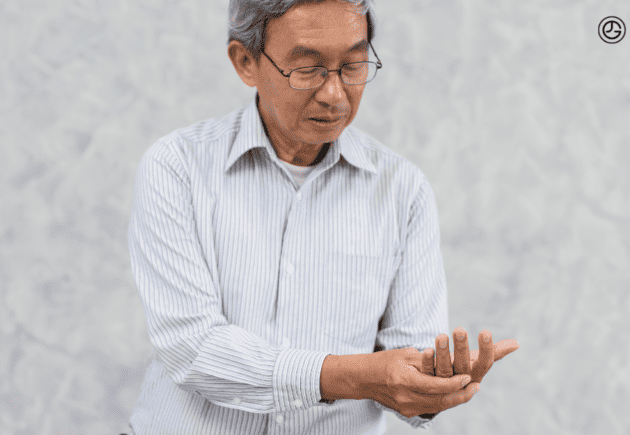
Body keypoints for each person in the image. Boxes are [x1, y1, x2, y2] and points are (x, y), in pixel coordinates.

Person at [126, 0, 519, 433]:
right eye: (307, 68)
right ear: (245, 62)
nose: (334, 94)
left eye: (353, 65)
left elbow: (407, 364)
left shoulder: (402, 189)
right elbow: (192, 348)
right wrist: (355, 376)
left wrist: (433, 386)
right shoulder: (177, 166)